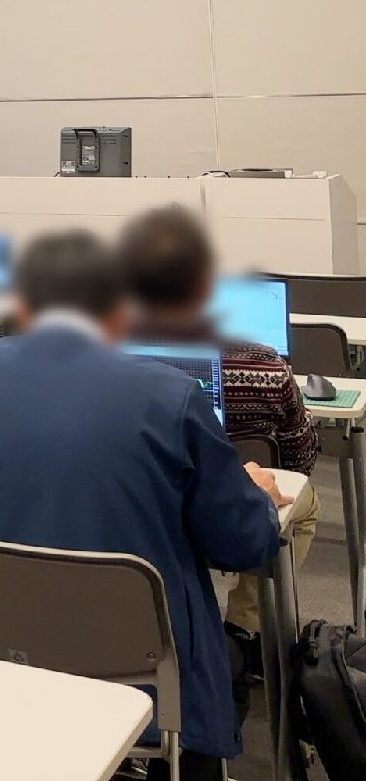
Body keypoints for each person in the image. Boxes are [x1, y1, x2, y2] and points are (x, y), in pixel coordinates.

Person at [0, 231, 288, 779]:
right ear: (119, 314)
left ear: (22, 307)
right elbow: (242, 544)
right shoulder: (172, 396)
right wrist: (258, 499)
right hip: (140, 670)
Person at [120, 205, 319, 680]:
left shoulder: (106, 358)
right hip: (229, 513)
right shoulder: (263, 362)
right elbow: (299, 458)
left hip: (138, 505)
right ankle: (245, 626)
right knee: (302, 501)